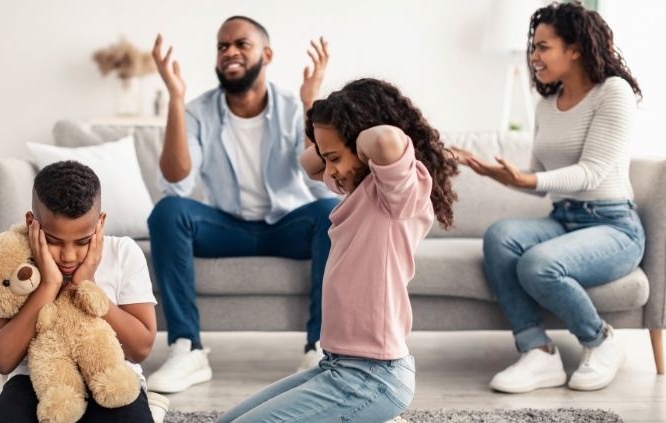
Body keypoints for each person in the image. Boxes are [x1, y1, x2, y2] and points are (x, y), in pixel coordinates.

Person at [216, 78, 458, 422]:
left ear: (361, 146)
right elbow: (308, 162)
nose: (329, 172)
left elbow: (386, 139)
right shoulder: (361, 184)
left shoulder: (397, 194)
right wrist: (325, 125)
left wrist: (356, 131)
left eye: (335, 158)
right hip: (339, 365)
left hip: (374, 376)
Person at [450, 1, 644, 394]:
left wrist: (524, 178)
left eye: (542, 46)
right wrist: (490, 171)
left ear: (575, 48)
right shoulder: (546, 104)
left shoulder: (613, 92)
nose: (533, 56)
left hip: (613, 225)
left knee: (538, 264)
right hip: (564, 218)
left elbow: (591, 172)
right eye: (532, 47)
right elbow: (540, 173)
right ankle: (537, 351)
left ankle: (600, 341)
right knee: (500, 235)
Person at [146, 16, 340, 393]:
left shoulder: (292, 106)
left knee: (330, 212)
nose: (230, 52)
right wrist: (175, 98)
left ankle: (320, 348)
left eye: (241, 44)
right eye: (222, 46)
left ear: (266, 54)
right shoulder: (198, 111)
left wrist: (311, 106)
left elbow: (322, 186)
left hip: (288, 227)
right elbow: (176, 183)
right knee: (168, 212)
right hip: (226, 229)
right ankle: (188, 348)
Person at [0, 160, 159, 422]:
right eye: (53, 241)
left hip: (112, 378)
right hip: (37, 382)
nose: (68, 256)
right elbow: (2, 360)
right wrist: (48, 286)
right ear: (32, 223)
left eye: (83, 242)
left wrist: (86, 285)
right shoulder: (14, 261)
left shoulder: (123, 252)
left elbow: (140, 348)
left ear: (101, 223)